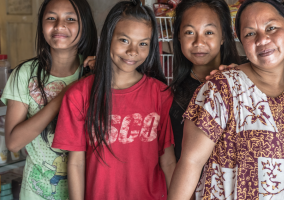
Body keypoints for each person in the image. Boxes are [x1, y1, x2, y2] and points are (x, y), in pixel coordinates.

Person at [167, 0, 284, 199]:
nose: (262, 39)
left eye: (271, 27)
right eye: (250, 33)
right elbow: (190, 163)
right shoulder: (221, 89)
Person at [52, 0, 176, 199]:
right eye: (124, 40)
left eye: (143, 43)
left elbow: (168, 161)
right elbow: (75, 162)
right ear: (109, 38)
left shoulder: (161, 94)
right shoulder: (78, 95)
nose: (133, 51)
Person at [0, 0, 97, 199]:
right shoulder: (24, 74)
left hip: (89, 191)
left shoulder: (96, 73)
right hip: (36, 194)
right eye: (51, 18)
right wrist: (65, 95)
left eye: (70, 19)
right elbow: (13, 143)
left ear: (84, 25)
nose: (59, 25)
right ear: (41, 25)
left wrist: (106, 71)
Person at [168, 0, 240, 163]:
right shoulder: (172, 97)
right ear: (179, 36)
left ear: (223, 36)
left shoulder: (243, 80)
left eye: (208, 32)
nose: (198, 42)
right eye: (189, 32)